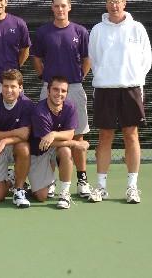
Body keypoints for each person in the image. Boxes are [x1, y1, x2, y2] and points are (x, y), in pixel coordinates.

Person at [87, 0, 152, 204]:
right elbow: (94, 59)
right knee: (105, 136)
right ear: (106, 4)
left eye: (118, 1)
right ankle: (101, 187)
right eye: (110, 2)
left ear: (124, 3)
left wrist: (131, 79)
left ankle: (132, 187)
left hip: (131, 89)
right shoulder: (97, 30)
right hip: (105, 89)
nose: (114, 6)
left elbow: (146, 60)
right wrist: (108, 78)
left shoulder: (137, 28)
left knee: (131, 135)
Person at [31, 0, 92, 198]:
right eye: (56, 6)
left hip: (74, 87)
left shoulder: (80, 31)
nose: (60, 9)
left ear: (69, 8)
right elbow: (37, 60)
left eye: (63, 6)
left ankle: (82, 179)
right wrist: (47, 80)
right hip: (49, 87)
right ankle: (51, 181)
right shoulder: (43, 33)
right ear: (52, 8)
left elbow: (87, 59)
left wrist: (77, 79)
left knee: (78, 134)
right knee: (46, 137)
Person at [29, 76, 89, 209]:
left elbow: (70, 133)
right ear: (48, 90)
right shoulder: (40, 111)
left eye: (63, 91)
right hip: (39, 151)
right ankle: (32, 182)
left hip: (58, 147)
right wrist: (75, 144)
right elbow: (45, 143)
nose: (59, 94)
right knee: (41, 196)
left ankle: (64, 193)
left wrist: (54, 133)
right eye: (55, 89)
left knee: (66, 151)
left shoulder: (70, 106)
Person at [0, 69, 33, 208]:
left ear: (20, 88)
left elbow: (26, 135)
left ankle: (19, 189)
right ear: (1, 86)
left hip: (13, 144)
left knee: (24, 147)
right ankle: (11, 177)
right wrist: (15, 132)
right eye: (5, 86)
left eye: (13, 86)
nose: (9, 90)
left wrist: (4, 140)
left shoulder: (27, 104)